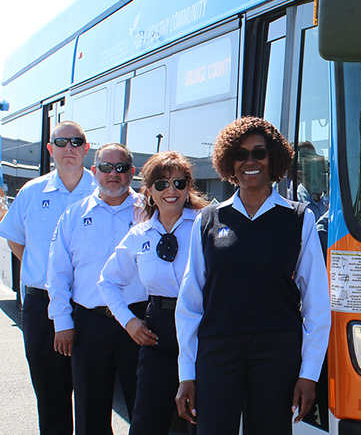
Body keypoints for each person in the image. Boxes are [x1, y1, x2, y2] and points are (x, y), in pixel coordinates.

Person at [175, 116, 331, 435]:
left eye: (258, 152)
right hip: (218, 352)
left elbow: (317, 304)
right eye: (240, 154)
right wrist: (186, 374)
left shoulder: (299, 219)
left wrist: (309, 374)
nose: (250, 161)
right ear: (229, 163)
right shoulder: (208, 220)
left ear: (273, 158)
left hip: (277, 353)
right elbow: (190, 303)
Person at [98, 151, 208, 435]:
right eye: (161, 184)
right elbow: (107, 282)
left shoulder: (206, 227)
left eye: (179, 183)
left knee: (201, 422)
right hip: (157, 334)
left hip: (202, 334)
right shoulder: (139, 235)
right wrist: (128, 321)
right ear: (148, 191)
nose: (170, 191)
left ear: (188, 187)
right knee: (146, 424)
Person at [0, 121, 96, 435]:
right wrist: (44, 272)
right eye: (61, 142)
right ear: (50, 149)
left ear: (86, 147)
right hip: (41, 310)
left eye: (76, 141)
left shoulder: (105, 190)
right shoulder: (32, 192)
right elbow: (15, 238)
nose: (69, 148)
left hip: (89, 309)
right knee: (51, 398)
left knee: (92, 399)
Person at [47, 143, 147, 435]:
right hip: (90, 324)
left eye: (120, 168)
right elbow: (58, 273)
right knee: (91, 415)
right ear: (94, 171)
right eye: (105, 167)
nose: (113, 174)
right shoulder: (74, 215)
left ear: (132, 172)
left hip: (139, 322)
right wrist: (62, 323)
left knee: (146, 411)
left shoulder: (149, 211)